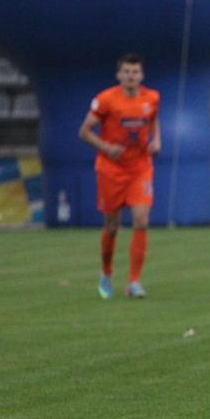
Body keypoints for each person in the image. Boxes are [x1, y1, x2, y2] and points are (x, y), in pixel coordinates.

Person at [79, 53, 160, 299]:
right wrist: (106, 148)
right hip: (111, 169)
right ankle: (106, 272)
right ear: (119, 75)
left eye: (135, 72)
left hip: (140, 167)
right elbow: (84, 131)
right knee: (112, 226)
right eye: (126, 72)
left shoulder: (152, 98)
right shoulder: (106, 100)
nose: (131, 76)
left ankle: (134, 282)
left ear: (141, 75)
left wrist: (157, 140)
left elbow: (153, 121)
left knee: (141, 220)